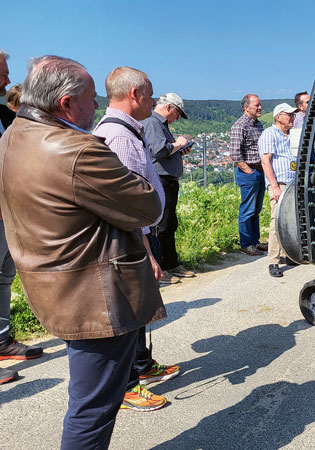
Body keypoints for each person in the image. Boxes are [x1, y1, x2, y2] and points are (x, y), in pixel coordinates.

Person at [0, 55, 164, 449]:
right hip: (95, 295)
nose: (97, 106)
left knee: (89, 401)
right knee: (93, 410)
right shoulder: (76, 150)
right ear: (66, 104)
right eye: (92, 99)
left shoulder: (14, 134)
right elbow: (148, 206)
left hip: (55, 283)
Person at [93, 67, 180, 413]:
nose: (155, 101)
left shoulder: (127, 131)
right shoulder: (120, 137)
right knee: (130, 309)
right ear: (135, 95)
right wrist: (149, 255)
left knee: (138, 307)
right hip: (133, 240)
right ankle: (128, 385)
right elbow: (127, 207)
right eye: (151, 94)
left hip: (141, 236)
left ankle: (141, 367)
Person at [0, 51, 43, 386]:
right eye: (2, 73)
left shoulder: (3, 113)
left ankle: (2, 340)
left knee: (4, 275)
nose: (6, 79)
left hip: (7, 209)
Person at [141, 93, 196, 283]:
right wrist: (178, 144)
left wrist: (179, 149)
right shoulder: (153, 123)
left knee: (170, 222)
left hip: (168, 179)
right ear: (169, 108)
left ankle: (171, 263)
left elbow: (165, 149)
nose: (177, 118)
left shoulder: (159, 124)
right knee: (161, 225)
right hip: (162, 179)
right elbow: (158, 150)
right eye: (177, 113)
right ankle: (161, 268)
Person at [259, 103, 299, 277]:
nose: (292, 117)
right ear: (278, 117)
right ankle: (273, 261)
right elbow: (265, 161)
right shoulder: (270, 133)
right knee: (276, 221)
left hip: (292, 182)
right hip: (280, 183)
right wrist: (274, 186)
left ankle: (286, 254)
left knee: (289, 220)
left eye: (293, 114)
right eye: (288, 114)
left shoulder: (292, 135)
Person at [230, 94, 268, 256]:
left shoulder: (257, 124)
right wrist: (248, 170)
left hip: (260, 171)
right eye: (257, 105)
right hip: (250, 172)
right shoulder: (240, 126)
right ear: (246, 107)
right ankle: (246, 243)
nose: (260, 108)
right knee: (247, 209)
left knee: (256, 209)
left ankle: (255, 241)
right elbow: (235, 154)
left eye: (260, 105)